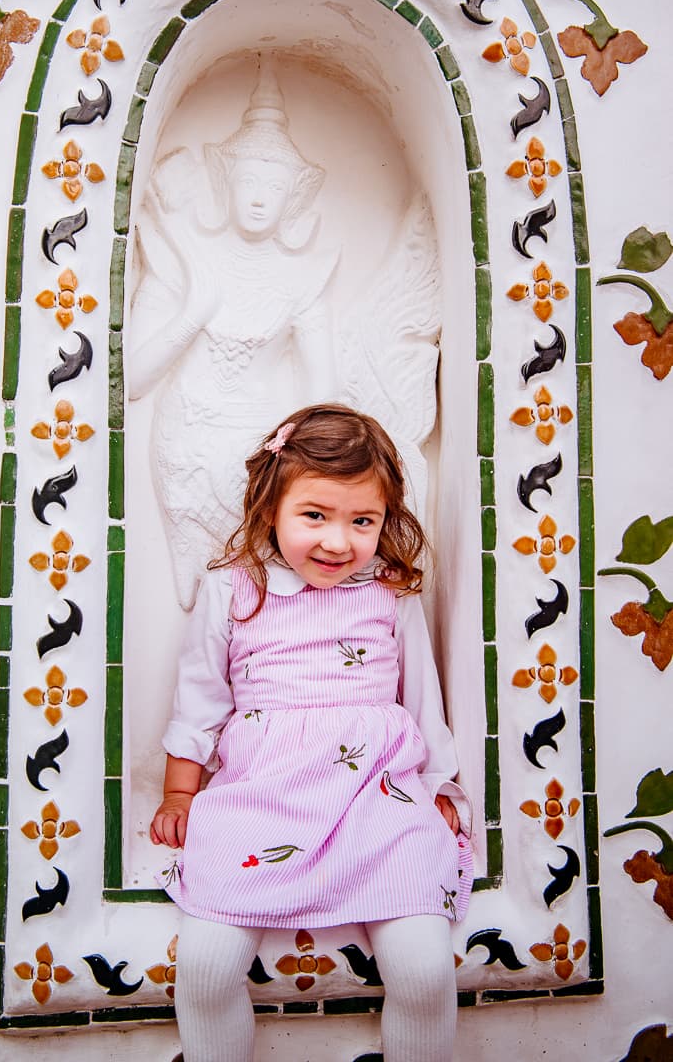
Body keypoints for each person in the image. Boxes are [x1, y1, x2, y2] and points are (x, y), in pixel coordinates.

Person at [150, 404, 473, 1062]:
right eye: (315, 516)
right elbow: (200, 699)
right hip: (263, 795)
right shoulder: (235, 589)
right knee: (206, 970)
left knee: (425, 970)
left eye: (363, 521)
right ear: (272, 504)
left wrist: (440, 787)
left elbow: (424, 698)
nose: (338, 540)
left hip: (376, 800)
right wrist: (181, 795)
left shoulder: (390, 592)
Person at [127, 65, 339, 611]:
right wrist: (194, 310)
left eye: (273, 186)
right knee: (193, 594)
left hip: (260, 452)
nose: (260, 198)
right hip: (185, 442)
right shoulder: (184, 259)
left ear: (293, 195)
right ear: (227, 182)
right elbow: (134, 377)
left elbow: (325, 397)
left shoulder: (303, 276)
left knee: (259, 592)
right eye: (249, 180)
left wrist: (299, 461)